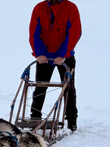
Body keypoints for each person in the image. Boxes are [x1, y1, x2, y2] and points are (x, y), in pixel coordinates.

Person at [29, 0, 82, 131]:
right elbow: (34, 33)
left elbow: (74, 33)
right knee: (40, 86)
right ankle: (35, 117)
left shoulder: (71, 8)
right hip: (44, 57)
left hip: (65, 57)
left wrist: (63, 54)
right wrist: (39, 54)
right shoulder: (39, 8)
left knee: (68, 88)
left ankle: (71, 120)